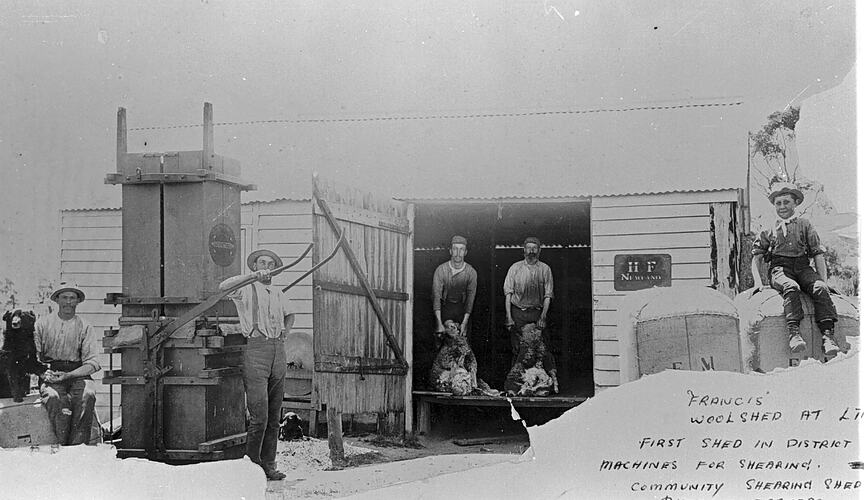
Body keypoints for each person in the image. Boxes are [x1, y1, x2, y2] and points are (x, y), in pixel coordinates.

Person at [219, 249, 294, 481]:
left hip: (278, 351)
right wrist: (251, 277)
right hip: (256, 350)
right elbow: (223, 286)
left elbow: (290, 315)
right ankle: (251, 468)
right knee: (259, 415)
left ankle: (269, 465)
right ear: (254, 266)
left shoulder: (278, 292)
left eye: (271, 264)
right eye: (263, 263)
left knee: (273, 416)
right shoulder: (245, 289)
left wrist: (285, 333)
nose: (267, 267)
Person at [751, 182, 840, 356]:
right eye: (778, 203)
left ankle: (828, 336)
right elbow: (757, 256)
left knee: (820, 289)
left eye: (786, 202)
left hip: (803, 267)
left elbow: (818, 255)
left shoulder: (805, 224)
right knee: (791, 287)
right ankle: (794, 334)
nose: (782, 206)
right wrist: (758, 283)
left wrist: (824, 281)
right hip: (780, 269)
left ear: (795, 203)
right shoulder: (769, 227)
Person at [35, 282, 100, 445]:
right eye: (64, 297)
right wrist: (43, 372)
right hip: (51, 372)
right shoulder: (42, 324)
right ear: (57, 300)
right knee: (55, 398)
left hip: (78, 373)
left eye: (72, 298)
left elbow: (92, 362)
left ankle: (77, 449)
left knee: (87, 395)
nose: (68, 302)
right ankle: (62, 448)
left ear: (78, 301)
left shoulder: (85, 326)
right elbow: (34, 356)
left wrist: (70, 375)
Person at [503, 237, 554, 358]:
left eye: (534, 248)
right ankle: (517, 376)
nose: (531, 251)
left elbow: (548, 295)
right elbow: (508, 294)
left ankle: (541, 376)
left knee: (541, 349)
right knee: (518, 349)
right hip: (518, 313)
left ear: (539, 250)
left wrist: (543, 316)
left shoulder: (545, 269)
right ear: (524, 250)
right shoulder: (515, 268)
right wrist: (509, 317)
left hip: (537, 313)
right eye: (529, 248)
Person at [432, 235, 478, 338]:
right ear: (450, 251)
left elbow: (470, 300)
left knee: (462, 342)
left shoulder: (471, 272)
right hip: (444, 309)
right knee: (443, 340)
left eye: (461, 250)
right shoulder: (441, 270)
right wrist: (439, 323)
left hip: (463, 310)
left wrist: (464, 324)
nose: (458, 253)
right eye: (455, 249)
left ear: (465, 252)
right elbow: (436, 297)